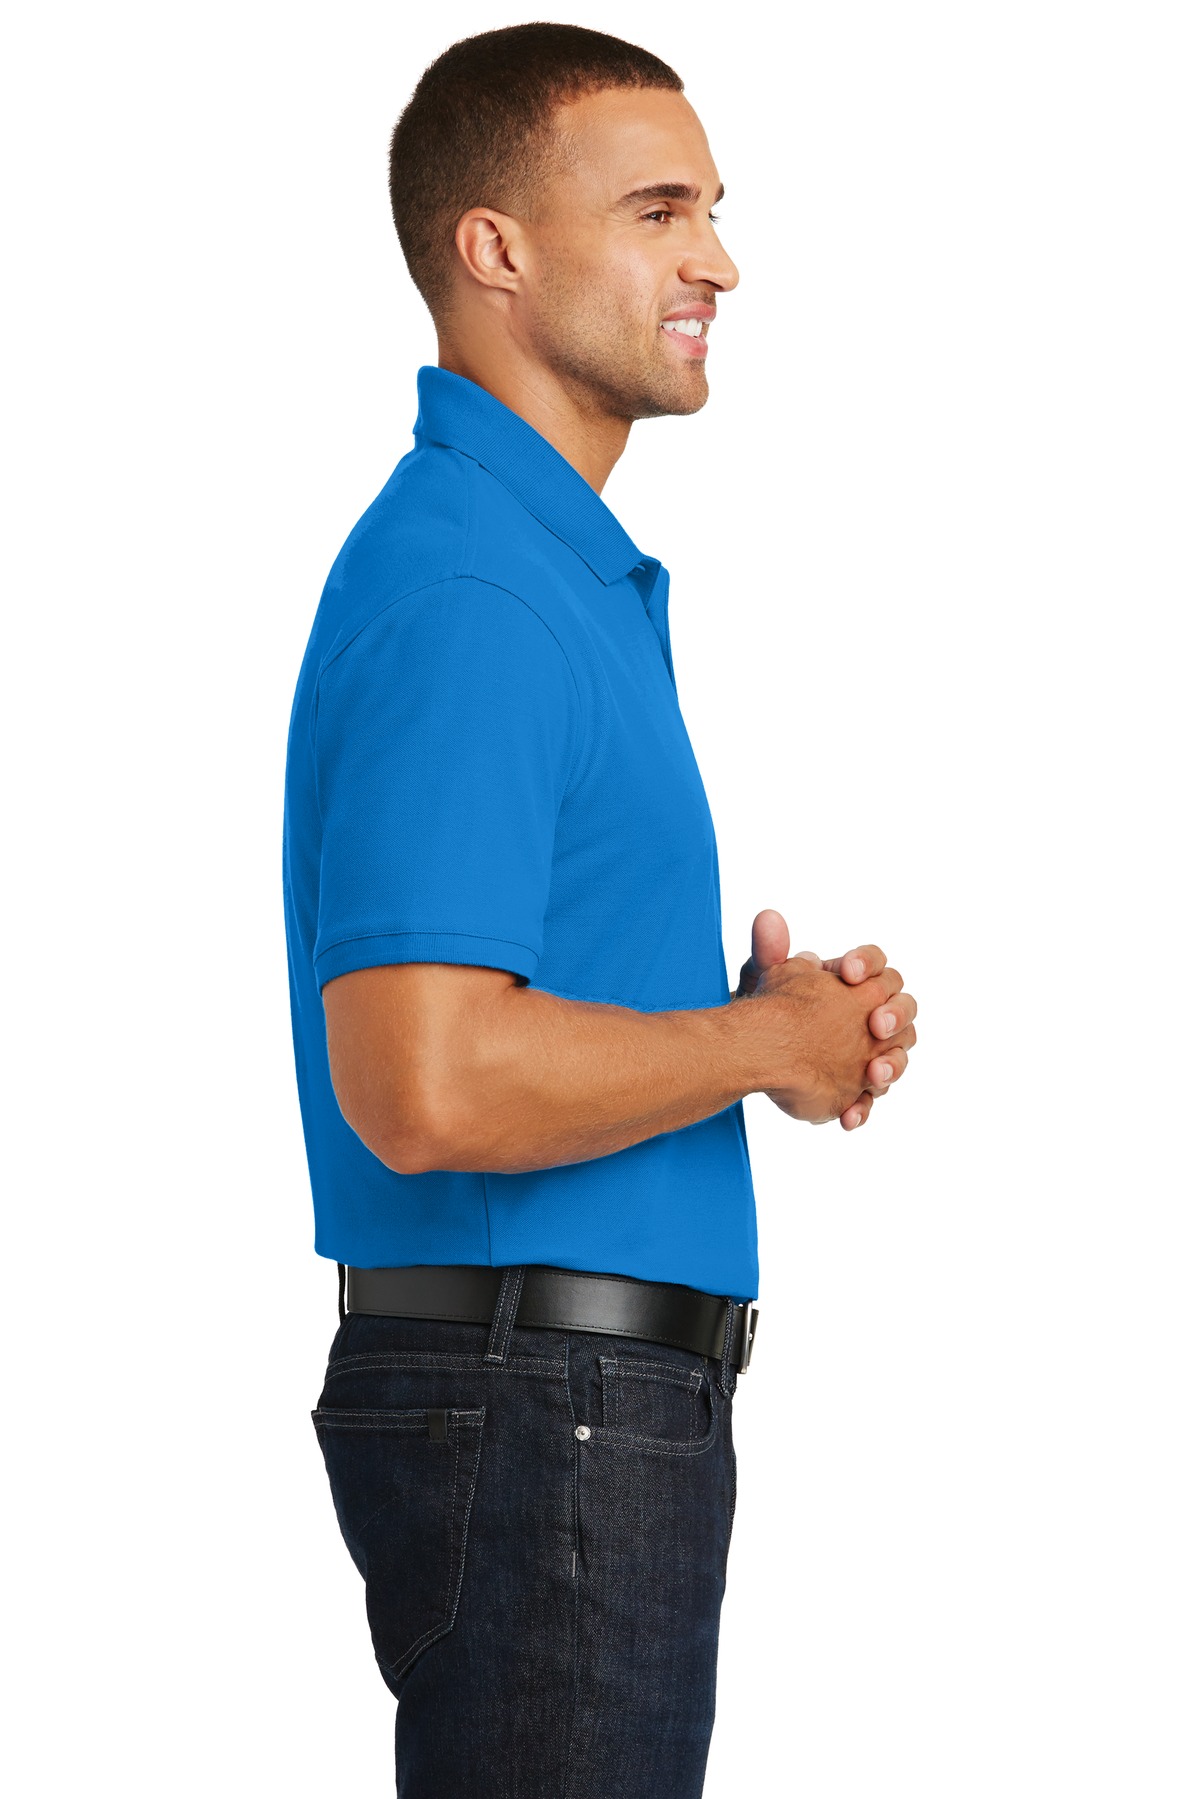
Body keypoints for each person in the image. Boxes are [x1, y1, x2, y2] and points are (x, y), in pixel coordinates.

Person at [282, 22, 918, 1797]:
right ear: (494, 248)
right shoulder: (478, 589)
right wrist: (758, 1042)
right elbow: (426, 1083)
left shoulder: (539, 568)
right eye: (658, 211)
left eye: (711, 210)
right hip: (545, 1401)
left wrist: (770, 1039)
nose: (718, 260)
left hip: (562, 1396)